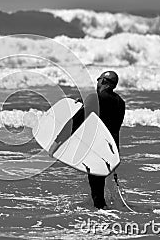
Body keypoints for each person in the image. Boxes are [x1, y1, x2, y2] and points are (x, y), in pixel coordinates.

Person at [49, 71, 125, 209]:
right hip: (111, 150)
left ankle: (101, 214)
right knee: (102, 185)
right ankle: (109, 210)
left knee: (97, 190)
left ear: (102, 81)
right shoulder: (120, 102)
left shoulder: (95, 98)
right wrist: (87, 102)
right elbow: (107, 118)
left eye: (98, 80)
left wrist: (57, 142)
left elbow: (76, 121)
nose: (97, 83)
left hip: (96, 149)